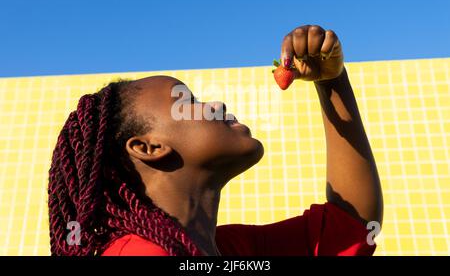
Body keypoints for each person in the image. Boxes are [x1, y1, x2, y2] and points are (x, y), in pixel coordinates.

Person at [48, 24, 383, 256]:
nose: (217, 105)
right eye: (186, 101)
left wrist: (332, 81)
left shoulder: (232, 249)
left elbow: (352, 225)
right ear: (148, 148)